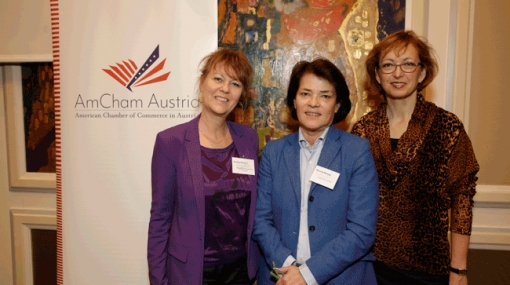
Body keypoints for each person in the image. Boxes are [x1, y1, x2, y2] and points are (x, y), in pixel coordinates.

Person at [351, 30, 479, 285]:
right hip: (369, 267)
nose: (398, 73)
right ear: (377, 74)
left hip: (429, 271)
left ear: (422, 73)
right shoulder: (362, 130)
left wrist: (459, 270)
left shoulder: (448, 127)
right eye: (388, 65)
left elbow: (462, 199)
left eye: (408, 64)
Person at [253, 58, 379, 285]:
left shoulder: (356, 151)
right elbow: (261, 221)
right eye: (305, 94)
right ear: (294, 100)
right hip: (281, 277)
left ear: (338, 104)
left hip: (341, 278)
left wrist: (308, 274)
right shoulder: (273, 153)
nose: (313, 103)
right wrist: (291, 270)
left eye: (325, 96)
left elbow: (362, 230)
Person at [147, 48, 260, 285]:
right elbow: (160, 219)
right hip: (192, 274)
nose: (225, 89)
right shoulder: (171, 142)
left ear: (241, 94)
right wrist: (158, 281)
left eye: (235, 83)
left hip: (240, 272)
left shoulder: (248, 139)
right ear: (202, 82)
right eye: (218, 78)